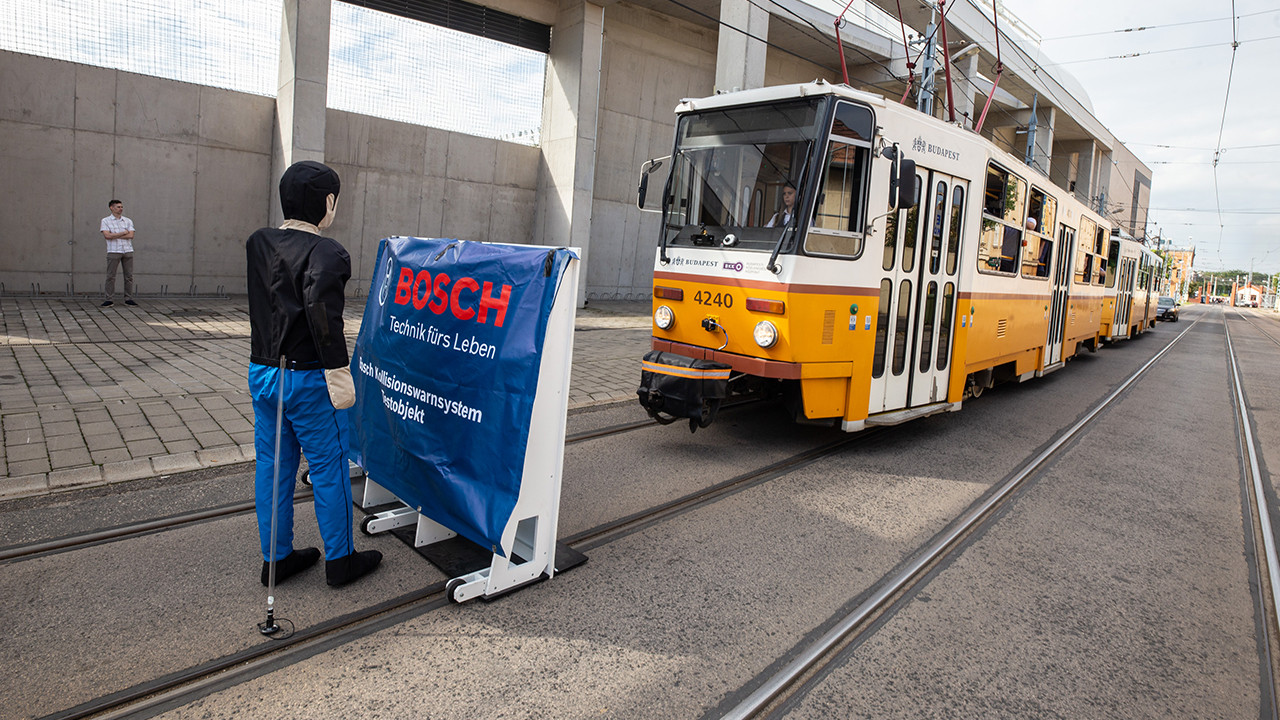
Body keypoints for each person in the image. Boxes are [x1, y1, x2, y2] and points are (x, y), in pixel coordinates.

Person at [245, 160, 381, 588]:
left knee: (272, 465)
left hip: (263, 371)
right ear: (327, 202)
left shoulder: (258, 243)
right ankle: (340, 560)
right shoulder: (328, 252)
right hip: (309, 378)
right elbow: (324, 317)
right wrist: (340, 376)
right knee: (328, 466)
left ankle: (276, 558)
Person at [100, 200, 137, 307]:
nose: (120, 209)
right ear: (111, 208)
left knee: (129, 276)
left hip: (127, 250)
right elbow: (107, 236)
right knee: (111, 276)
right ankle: (109, 299)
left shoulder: (127, 220)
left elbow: (131, 236)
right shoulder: (106, 221)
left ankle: (128, 298)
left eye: (121, 207)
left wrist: (114, 235)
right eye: (118, 207)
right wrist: (123, 232)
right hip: (113, 251)